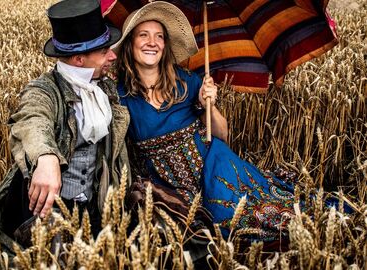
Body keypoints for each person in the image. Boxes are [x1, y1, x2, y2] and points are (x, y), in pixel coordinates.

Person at [113, 1, 299, 242]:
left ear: (165, 45)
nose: (152, 42)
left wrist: (208, 105)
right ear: (130, 43)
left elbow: (222, 135)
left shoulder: (188, 81)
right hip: (171, 186)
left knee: (248, 221)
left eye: (159, 36)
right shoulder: (120, 95)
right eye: (144, 35)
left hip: (215, 167)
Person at [0, 0, 131, 248]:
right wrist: (46, 157)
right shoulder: (46, 89)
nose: (113, 56)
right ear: (79, 59)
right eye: (104, 51)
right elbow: (32, 118)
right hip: (49, 214)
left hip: (94, 209)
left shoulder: (106, 90)